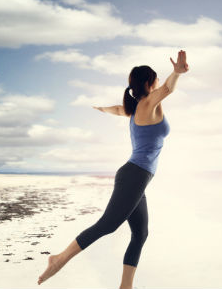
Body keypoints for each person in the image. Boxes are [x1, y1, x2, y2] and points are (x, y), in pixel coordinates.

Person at [37, 50, 189, 288]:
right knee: (108, 224)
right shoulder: (148, 103)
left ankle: (125, 286)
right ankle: (59, 259)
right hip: (135, 175)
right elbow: (168, 89)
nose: (159, 83)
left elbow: (118, 109)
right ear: (150, 83)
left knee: (140, 234)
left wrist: (101, 109)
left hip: (138, 177)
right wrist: (177, 73)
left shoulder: (135, 107)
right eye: (156, 79)